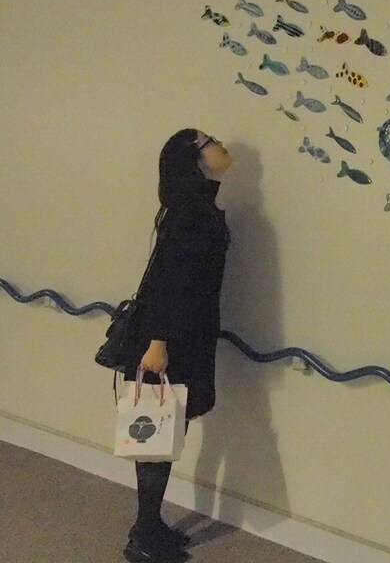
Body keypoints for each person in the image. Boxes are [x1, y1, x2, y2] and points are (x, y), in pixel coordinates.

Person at [122, 128, 231, 563]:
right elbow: (169, 281)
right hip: (169, 340)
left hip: (183, 335)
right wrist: (158, 342)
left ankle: (149, 526)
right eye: (211, 142)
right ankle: (143, 535)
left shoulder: (195, 205)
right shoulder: (190, 211)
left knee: (165, 433)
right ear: (194, 159)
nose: (222, 146)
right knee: (156, 435)